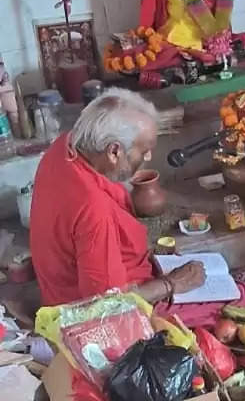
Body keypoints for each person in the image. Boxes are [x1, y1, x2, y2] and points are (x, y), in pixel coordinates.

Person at [30, 88, 205, 305]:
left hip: (62, 288)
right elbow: (106, 304)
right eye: (144, 150)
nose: (148, 156)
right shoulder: (93, 209)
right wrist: (171, 284)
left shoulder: (64, 146)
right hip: (85, 315)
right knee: (240, 296)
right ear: (114, 151)